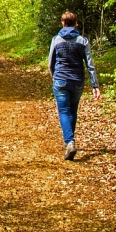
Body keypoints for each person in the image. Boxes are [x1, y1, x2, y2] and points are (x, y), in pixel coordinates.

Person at [48, 11, 100, 160]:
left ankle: (69, 142)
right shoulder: (83, 41)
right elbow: (90, 65)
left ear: (63, 23)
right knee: (72, 111)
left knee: (64, 111)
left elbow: (50, 62)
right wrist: (94, 85)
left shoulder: (56, 39)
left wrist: (54, 77)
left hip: (60, 80)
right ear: (76, 23)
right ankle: (70, 141)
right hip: (77, 81)